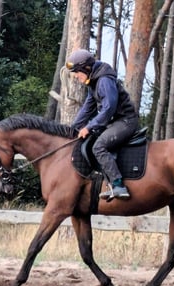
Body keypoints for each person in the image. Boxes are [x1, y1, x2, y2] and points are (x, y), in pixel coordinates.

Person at [65, 49, 139, 200]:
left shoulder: (104, 80)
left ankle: (118, 185)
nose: (76, 77)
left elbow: (109, 108)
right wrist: (71, 130)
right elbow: (86, 109)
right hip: (114, 122)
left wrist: (89, 127)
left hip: (125, 121)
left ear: (86, 68)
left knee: (98, 147)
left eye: (77, 72)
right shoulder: (94, 82)